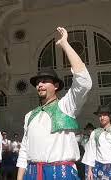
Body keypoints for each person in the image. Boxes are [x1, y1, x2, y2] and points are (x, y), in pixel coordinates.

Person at [16, 27, 92, 179]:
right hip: (31, 173)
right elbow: (24, 149)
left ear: (56, 86)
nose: (40, 84)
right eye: (38, 82)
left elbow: (84, 83)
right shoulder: (30, 116)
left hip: (60, 173)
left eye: (45, 81)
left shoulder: (66, 107)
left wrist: (65, 44)